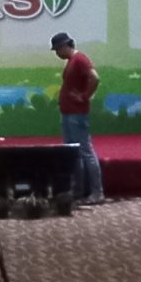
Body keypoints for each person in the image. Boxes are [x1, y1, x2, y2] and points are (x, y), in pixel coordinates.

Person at [51, 32, 102, 204]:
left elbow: (95, 78)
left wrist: (85, 96)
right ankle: (78, 190)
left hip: (77, 114)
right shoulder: (72, 61)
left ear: (65, 46)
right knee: (74, 154)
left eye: (58, 49)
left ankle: (97, 192)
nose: (57, 53)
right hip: (68, 113)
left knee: (86, 152)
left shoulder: (80, 59)